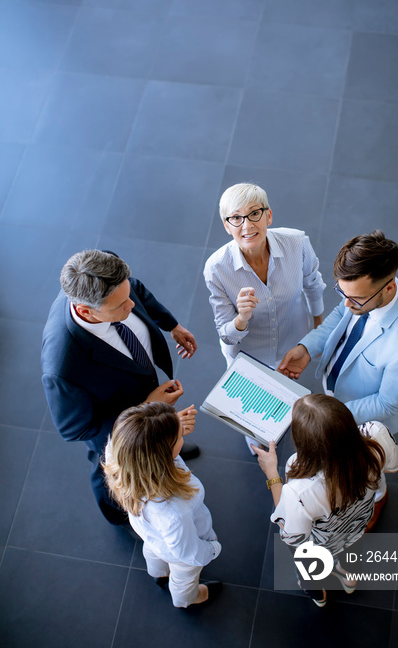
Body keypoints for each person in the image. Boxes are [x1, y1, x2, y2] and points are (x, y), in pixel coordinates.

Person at [278, 230, 398, 525]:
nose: (347, 305)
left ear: (388, 288)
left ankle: (378, 496)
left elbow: (389, 405)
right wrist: (308, 348)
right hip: (337, 397)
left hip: (363, 423)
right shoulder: (361, 294)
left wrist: (329, 417)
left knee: (368, 471)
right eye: (342, 293)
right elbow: (340, 316)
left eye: (356, 299)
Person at [41, 249, 198, 526]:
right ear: (84, 310)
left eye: (127, 297)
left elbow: (136, 290)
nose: (132, 306)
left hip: (139, 388)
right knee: (106, 468)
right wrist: (145, 410)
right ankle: (116, 511)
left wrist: (171, 325)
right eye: (120, 306)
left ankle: (166, 448)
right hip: (119, 428)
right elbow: (76, 429)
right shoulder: (62, 367)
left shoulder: (113, 282)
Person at [204, 183, 325, 453]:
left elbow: (313, 286)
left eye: (254, 214)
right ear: (227, 225)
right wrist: (242, 317)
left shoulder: (297, 244)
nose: (246, 225)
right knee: (256, 421)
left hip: (292, 340)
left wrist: (318, 332)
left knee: (284, 398)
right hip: (247, 354)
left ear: (268, 216)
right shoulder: (216, 268)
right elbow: (225, 333)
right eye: (236, 218)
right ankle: (257, 437)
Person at [252, 394, 398, 607]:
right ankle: (349, 579)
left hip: (320, 543)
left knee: (308, 566)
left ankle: (319, 595)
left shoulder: (300, 486)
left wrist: (271, 473)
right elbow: (393, 465)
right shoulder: (376, 434)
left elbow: (290, 531)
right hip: (357, 525)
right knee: (353, 551)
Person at [103, 402, 222, 608]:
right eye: (179, 437)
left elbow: (137, 434)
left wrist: (165, 425)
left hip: (148, 531)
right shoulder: (174, 510)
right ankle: (188, 599)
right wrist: (212, 549)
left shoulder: (120, 450)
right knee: (184, 576)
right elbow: (189, 553)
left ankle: (158, 573)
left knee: (153, 548)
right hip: (180, 551)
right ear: (162, 455)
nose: (183, 437)